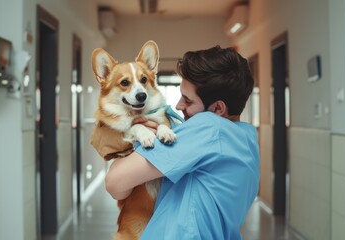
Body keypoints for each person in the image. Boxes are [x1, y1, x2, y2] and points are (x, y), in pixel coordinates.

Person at [105, 45, 260, 239]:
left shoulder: (209, 127)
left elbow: (115, 183)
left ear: (218, 108)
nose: (178, 105)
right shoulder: (246, 138)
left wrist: (128, 143)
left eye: (188, 100)